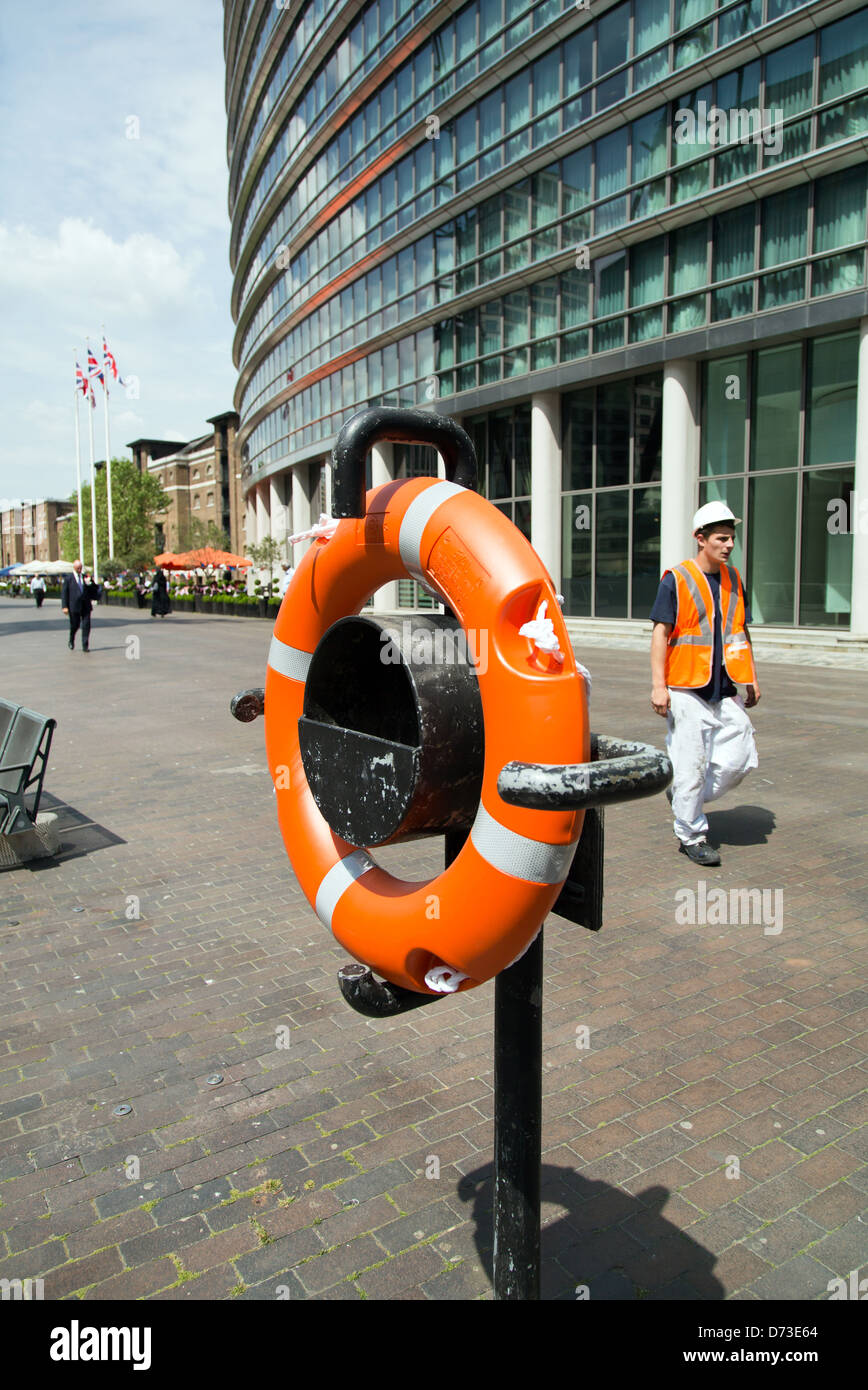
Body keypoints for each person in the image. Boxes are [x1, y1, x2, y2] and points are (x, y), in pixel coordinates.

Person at [650, 502, 761, 867]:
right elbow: (660, 633)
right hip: (685, 687)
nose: (728, 545)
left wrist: (751, 677)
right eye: (721, 539)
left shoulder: (733, 579)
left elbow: (739, 632)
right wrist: (658, 685)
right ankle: (692, 835)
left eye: (731, 539)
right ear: (701, 539)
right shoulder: (677, 578)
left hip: (725, 685)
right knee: (692, 763)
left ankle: (684, 795)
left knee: (741, 756)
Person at [61, 559, 95, 653]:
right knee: (75, 625)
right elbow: (64, 593)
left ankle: (85, 645)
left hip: (86, 605)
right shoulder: (68, 579)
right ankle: (71, 639)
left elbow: (94, 589)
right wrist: (64, 606)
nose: (80, 570)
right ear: (74, 568)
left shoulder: (85, 577)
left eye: (81, 568)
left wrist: (90, 583)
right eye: (78, 568)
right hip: (74, 606)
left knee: (86, 625)